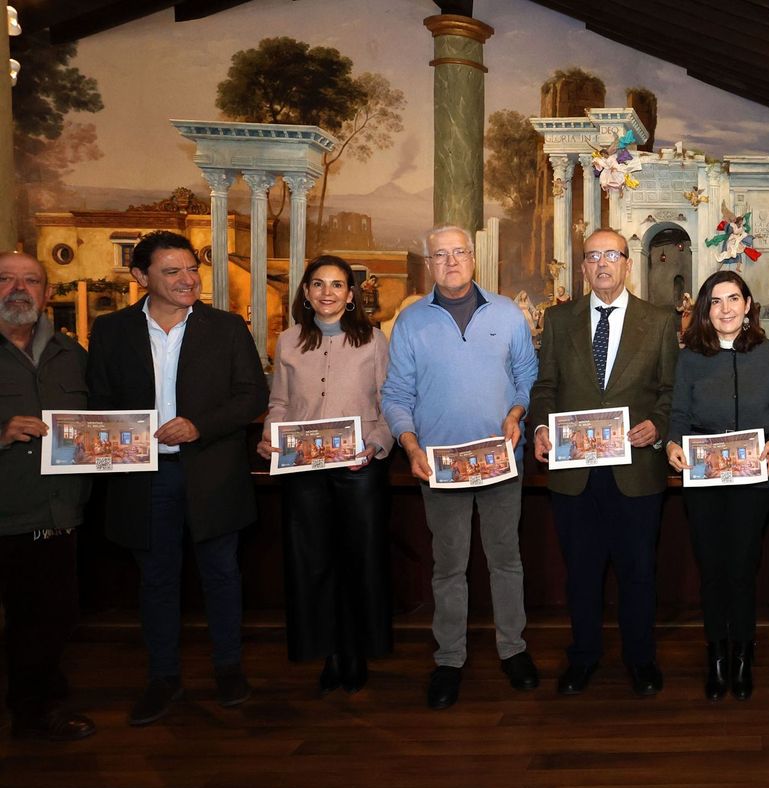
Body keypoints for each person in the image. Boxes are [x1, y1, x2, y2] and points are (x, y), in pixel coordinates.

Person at [86, 231, 269, 726]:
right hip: (144, 479)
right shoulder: (111, 331)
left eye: (192, 269)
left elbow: (251, 397)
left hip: (211, 473)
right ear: (141, 277)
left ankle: (229, 669)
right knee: (157, 580)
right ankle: (162, 678)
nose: (188, 280)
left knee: (222, 575)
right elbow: (98, 402)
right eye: (173, 272)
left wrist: (199, 425)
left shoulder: (226, 329)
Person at [381, 225, 538, 711]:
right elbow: (396, 394)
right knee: (449, 568)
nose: (451, 262)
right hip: (440, 468)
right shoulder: (410, 323)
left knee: (506, 562)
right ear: (429, 264)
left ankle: (513, 650)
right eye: (440, 255)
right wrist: (410, 447)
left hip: (499, 463)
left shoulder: (508, 314)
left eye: (460, 253)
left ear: (474, 258)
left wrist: (517, 413)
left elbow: (526, 376)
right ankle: (449, 659)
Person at [530, 228, 679, 698]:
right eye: (592, 257)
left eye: (610, 255)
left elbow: (670, 391)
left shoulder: (657, 322)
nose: (601, 265)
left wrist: (657, 426)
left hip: (635, 471)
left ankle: (641, 658)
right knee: (582, 572)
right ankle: (584, 656)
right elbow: (545, 388)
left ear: (627, 263)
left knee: (638, 572)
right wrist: (539, 428)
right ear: (583, 267)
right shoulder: (558, 321)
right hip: (574, 475)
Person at [259, 256, 395, 695]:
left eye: (338, 285)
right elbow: (279, 404)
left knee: (360, 561)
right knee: (312, 563)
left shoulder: (374, 341)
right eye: (318, 284)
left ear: (352, 294)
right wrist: (269, 438)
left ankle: (355, 650)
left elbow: (389, 403)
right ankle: (327, 651)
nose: (328, 293)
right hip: (303, 470)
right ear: (305, 291)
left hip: (359, 468)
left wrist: (375, 445)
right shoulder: (287, 342)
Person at [666, 271, 769, 701]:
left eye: (733, 299)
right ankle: (716, 654)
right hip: (703, 478)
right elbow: (679, 415)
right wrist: (671, 445)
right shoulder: (690, 358)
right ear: (705, 309)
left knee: (742, 567)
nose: (725, 309)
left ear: (747, 304)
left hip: (755, 477)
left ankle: (741, 652)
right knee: (712, 570)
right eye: (716, 301)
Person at [0, 251, 96, 741]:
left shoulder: (71, 354)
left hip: (56, 513)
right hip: (6, 510)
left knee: (50, 620)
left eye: (31, 280)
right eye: (7, 279)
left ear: (46, 293)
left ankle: (39, 711)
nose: (19, 289)